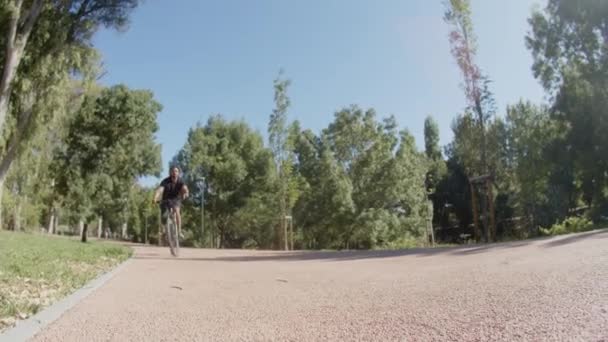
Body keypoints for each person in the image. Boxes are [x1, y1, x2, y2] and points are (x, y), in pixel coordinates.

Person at [153, 166, 189, 238]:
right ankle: (164, 231)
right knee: (164, 215)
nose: (174, 173)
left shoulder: (180, 181)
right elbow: (160, 190)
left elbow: (185, 188)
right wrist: (155, 198)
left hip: (176, 199)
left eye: (176, 171)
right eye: (173, 171)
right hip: (166, 200)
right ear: (170, 173)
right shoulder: (165, 181)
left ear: (178, 173)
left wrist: (185, 193)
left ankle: (179, 232)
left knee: (177, 211)